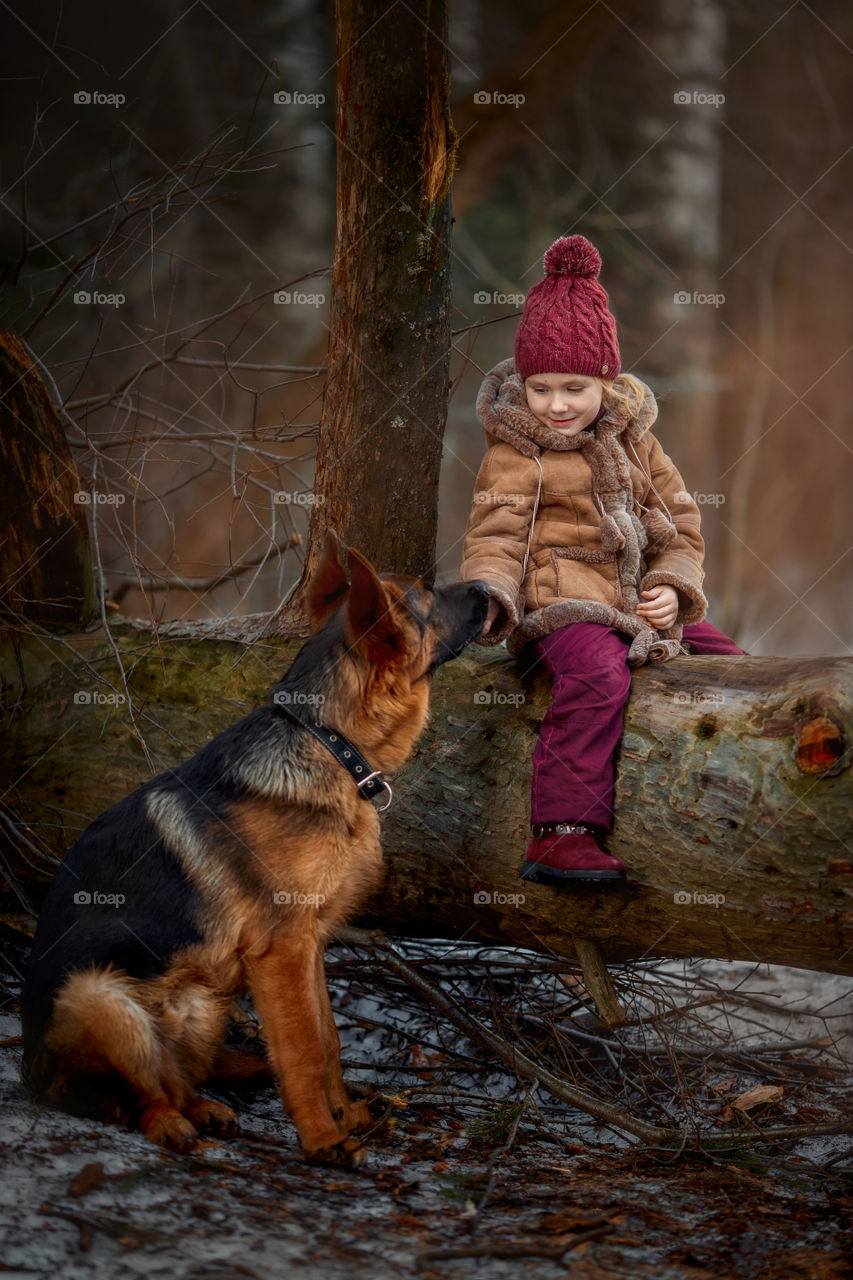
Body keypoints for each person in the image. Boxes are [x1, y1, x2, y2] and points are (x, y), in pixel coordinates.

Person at [460, 235, 745, 889]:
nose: (556, 405)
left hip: (633, 604)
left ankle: (742, 801)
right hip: (559, 606)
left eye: (573, 387)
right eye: (539, 388)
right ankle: (562, 834)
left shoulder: (637, 444)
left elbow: (680, 529)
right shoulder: (517, 453)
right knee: (597, 678)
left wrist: (672, 589)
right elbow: (496, 536)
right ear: (522, 385)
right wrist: (488, 596)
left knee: (731, 664)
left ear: (605, 382)